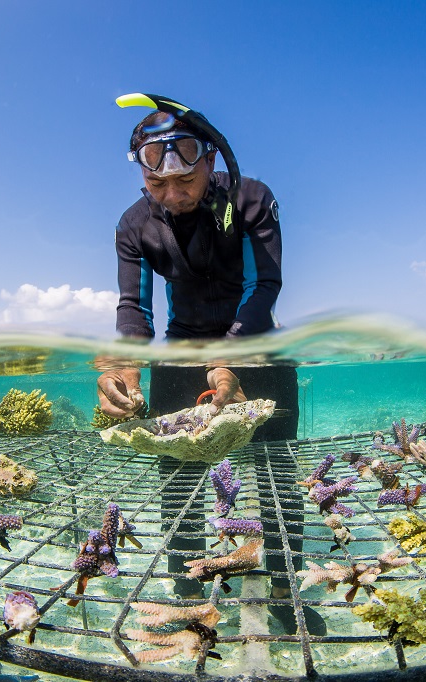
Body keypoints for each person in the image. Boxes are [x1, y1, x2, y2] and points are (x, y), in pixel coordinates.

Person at [96, 97, 323, 635]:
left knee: (275, 474)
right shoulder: (133, 224)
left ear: (212, 161)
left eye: (186, 182)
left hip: (259, 343)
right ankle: (186, 592)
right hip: (180, 352)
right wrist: (124, 369)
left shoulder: (251, 198)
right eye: (157, 187)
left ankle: (285, 589)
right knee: (178, 478)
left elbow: (263, 286)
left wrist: (230, 355)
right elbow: (134, 308)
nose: (172, 196)